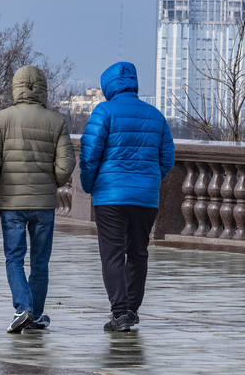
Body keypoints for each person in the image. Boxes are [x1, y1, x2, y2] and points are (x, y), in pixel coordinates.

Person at [79, 61, 175, 332]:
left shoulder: (104, 112)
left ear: (108, 86)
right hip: (145, 198)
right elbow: (167, 158)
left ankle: (119, 312)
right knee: (138, 253)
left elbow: (89, 155)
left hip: (110, 196)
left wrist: (90, 185)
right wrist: (150, 180)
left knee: (112, 255)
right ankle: (132, 310)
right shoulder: (155, 115)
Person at [0, 65, 76, 333]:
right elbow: (66, 164)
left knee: (14, 257)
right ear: (43, 89)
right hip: (44, 203)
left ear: (16, 87)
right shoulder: (56, 121)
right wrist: (53, 182)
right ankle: (34, 314)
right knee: (40, 260)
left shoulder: (0, 119)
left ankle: (23, 307)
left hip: (11, 201)